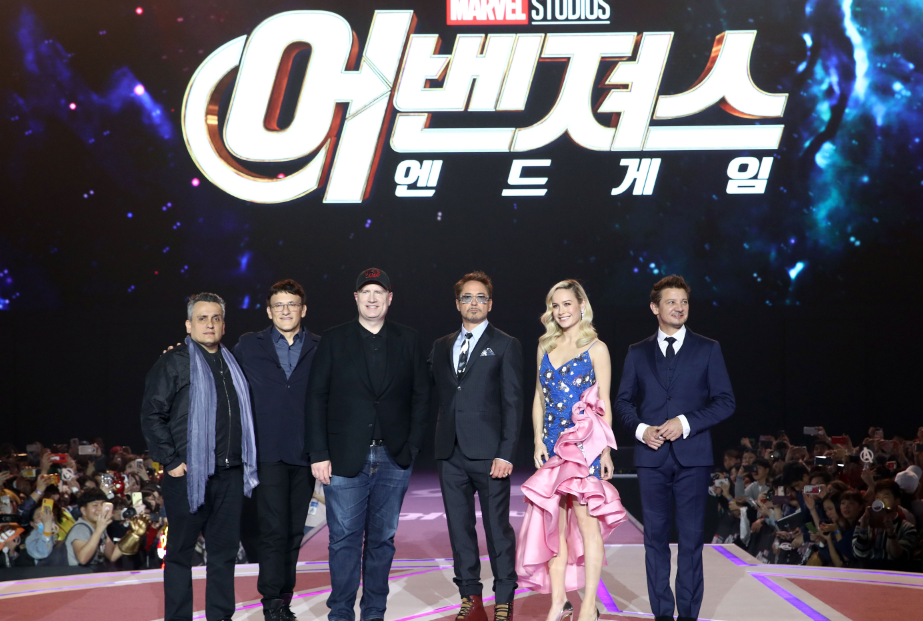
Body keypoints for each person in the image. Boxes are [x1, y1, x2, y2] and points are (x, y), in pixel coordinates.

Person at [306, 268, 429, 621]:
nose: (372, 298)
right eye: (366, 292)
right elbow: (316, 397)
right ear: (356, 297)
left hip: (393, 456)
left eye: (379, 292)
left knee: (382, 540)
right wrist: (318, 453)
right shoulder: (334, 339)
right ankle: (341, 614)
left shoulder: (408, 339)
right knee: (344, 539)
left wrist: (412, 446)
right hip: (344, 457)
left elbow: (422, 396)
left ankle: (374, 613)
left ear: (389, 298)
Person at [615, 275, 735, 621]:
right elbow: (623, 402)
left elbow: (725, 402)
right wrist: (642, 430)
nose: (679, 308)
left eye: (683, 302)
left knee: (691, 540)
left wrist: (685, 422)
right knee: (654, 540)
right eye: (671, 302)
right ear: (655, 308)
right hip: (651, 458)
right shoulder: (637, 352)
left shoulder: (708, 348)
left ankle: (688, 615)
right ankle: (663, 614)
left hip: (693, 457)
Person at [140, 292, 259, 621]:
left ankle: (220, 616)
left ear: (224, 325)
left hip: (230, 474)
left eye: (216, 318)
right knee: (180, 554)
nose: (209, 324)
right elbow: (152, 414)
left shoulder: (234, 364)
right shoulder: (173, 362)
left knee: (223, 554)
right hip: (188, 475)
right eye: (202, 318)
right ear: (188, 325)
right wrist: (171, 461)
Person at [517, 280, 626, 621]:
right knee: (553, 524)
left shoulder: (597, 348)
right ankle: (558, 602)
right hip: (552, 447)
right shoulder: (544, 345)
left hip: (583, 446)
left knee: (586, 524)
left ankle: (589, 606)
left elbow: (604, 403)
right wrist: (538, 440)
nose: (561, 311)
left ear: (581, 305)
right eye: (556, 305)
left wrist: (605, 451)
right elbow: (539, 398)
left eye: (567, 303)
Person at [429, 271, 524, 621]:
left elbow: (513, 403)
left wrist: (505, 453)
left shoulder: (505, 344)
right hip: (450, 453)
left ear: (490, 303)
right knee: (459, 529)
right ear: (457, 303)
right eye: (467, 297)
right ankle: (470, 597)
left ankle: (504, 599)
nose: (474, 303)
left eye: (481, 297)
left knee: (497, 530)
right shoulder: (441, 345)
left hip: (489, 454)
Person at [233, 279, 320, 621]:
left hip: (304, 452)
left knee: (296, 530)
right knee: (272, 530)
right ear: (269, 312)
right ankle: (271, 603)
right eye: (279, 305)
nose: (286, 311)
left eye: (292, 304)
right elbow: (222, 374)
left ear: (303, 309)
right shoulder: (248, 345)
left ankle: (284, 598)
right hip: (265, 452)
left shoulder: (320, 346)